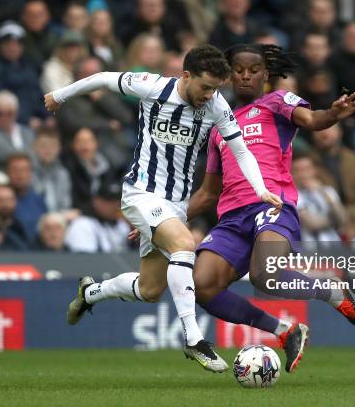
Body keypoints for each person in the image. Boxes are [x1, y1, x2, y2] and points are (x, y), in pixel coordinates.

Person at [45, 44, 282, 372]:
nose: (209, 95)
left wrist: (261, 190)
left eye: (216, 88)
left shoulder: (216, 105)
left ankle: (91, 293)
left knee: (150, 289)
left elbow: (241, 152)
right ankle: (193, 337)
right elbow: (101, 78)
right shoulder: (152, 87)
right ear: (186, 76)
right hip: (140, 194)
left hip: (175, 204)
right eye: (205, 87)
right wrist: (60, 95)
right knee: (185, 244)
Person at [183, 44, 355, 374]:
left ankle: (331, 292)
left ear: (265, 75)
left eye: (253, 69)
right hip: (232, 218)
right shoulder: (217, 126)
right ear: (228, 75)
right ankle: (285, 331)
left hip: (272, 205)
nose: (245, 75)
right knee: (202, 285)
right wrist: (167, 218)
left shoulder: (276, 102)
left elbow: (312, 119)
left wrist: (332, 114)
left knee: (264, 274)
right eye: (238, 69)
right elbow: (208, 192)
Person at [65, 179, 131, 253]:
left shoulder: (122, 225)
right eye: (109, 201)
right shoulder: (82, 225)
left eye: (118, 200)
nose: (115, 205)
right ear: (96, 201)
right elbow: (85, 261)